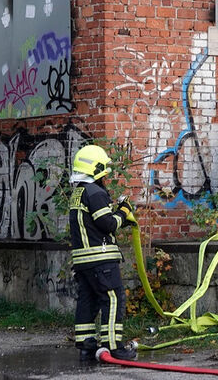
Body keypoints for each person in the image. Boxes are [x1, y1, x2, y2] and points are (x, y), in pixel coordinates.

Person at [68, 144, 138, 362]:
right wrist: (124, 211)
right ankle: (113, 346)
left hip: (83, 261)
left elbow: (94, 224)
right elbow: (107, 224)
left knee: (88, 300)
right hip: (101, 260)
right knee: (113, 298)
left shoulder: (78, 193)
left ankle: (86, 346)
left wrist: (118, 216)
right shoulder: (95, 193)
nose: (106, 172)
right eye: (104, 167)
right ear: (96, 167)